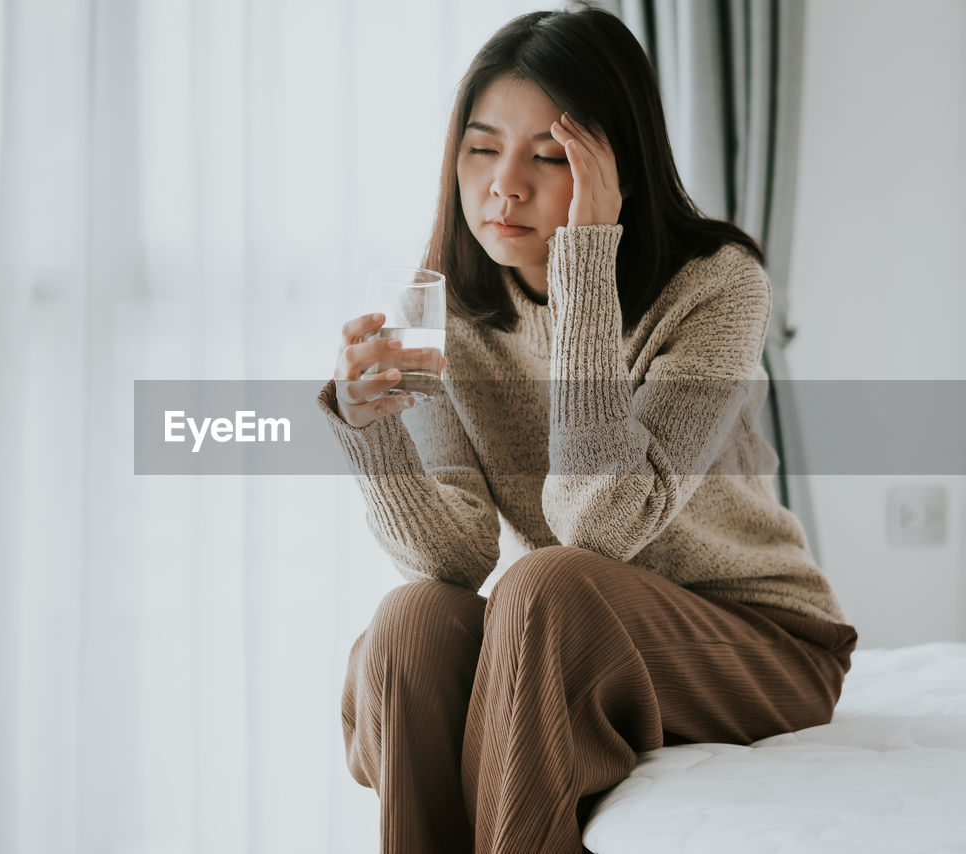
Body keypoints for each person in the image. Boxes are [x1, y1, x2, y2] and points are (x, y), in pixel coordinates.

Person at [316, 5, 858, 854]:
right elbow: (452, 559)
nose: (505, 186)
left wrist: (584, 272)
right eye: (483, 147)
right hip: (577, 631)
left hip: (758, 639)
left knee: (548, 583)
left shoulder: (717, 288)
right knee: (414, 621)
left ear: (618, 171)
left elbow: (600, 525)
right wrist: (369, 430)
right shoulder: (445, 315)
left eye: (548, 156)